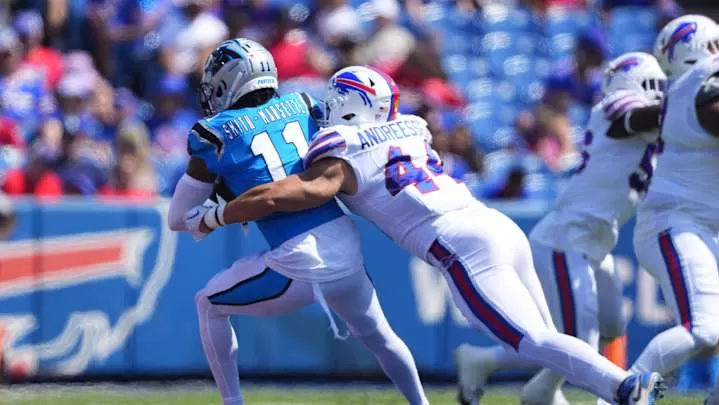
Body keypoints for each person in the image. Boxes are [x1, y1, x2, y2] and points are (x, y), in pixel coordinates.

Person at [194, 65, 666, 405]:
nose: (327, 107)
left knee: (531, 341)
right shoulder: (412, 130)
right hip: (496, 226)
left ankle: (624, 386)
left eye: (336, 99)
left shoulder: (340, 150)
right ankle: (606, 389)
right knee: (546, 352)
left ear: (350, 106)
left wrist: (220, 213)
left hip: (460, 246)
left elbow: (289, 193)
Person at [168, 39, 428, 405]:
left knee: (207, 304)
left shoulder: (213, 133)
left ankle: (233, 402)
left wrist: (220, 201)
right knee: (381, 337)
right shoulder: (305, 104)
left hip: (298, 262)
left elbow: (178, 220)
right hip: (346, 244)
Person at [454, 52, 667, 405]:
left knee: (611, 326)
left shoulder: (656, 126)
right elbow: (636, 115)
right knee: (577, 341)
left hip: (596, 243)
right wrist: (685, 101)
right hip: (566, 241)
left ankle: (484, 362)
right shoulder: (617, 107)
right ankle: (552, 392)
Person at [627, 14, 719, 405]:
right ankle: (624, 392)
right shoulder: (702, 81)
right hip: (677, 222)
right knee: (704, 330)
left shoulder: (685, 86)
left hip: (695, 223)